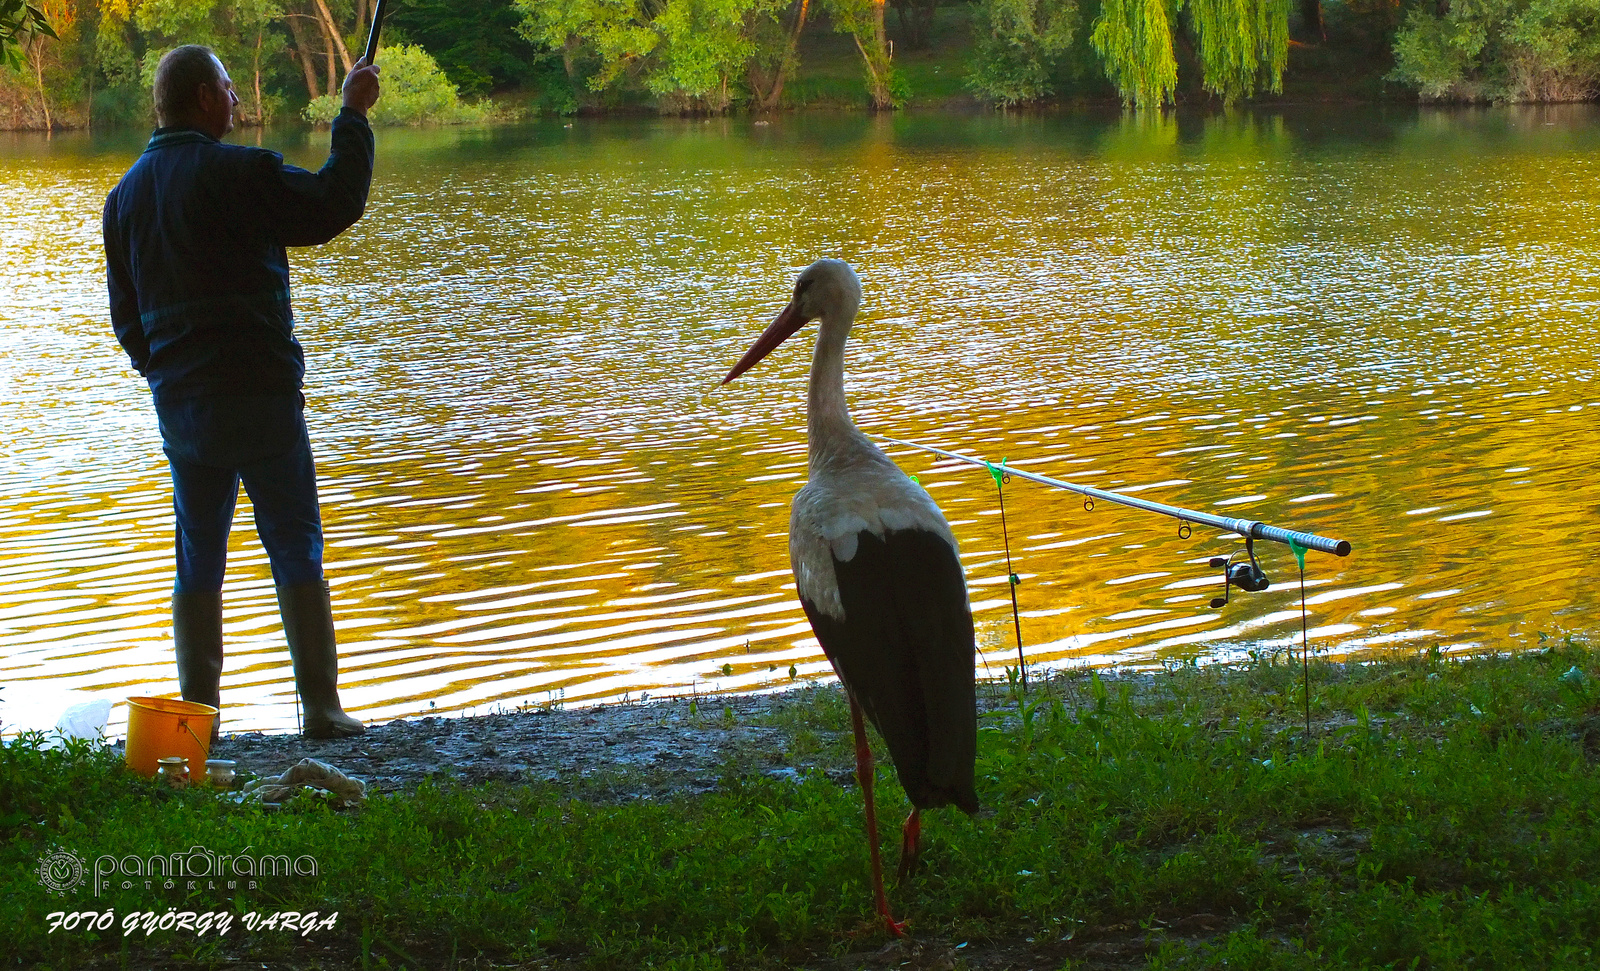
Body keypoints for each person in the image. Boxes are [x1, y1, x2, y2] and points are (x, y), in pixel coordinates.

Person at [102, 45, 380, 739]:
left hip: (185, 410)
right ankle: (320, 705)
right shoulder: (242, 172)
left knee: (198, 554)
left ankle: (200, 719)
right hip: (260, 399)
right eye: (228, 88)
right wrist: (352, 114)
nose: (237, 99)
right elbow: (332, 203)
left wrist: (167, 374)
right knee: (295, 542)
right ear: (202, 98)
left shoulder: (123, 198)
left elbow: (126, 320)